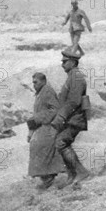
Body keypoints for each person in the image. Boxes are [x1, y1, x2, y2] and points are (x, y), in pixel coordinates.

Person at [50, 50, 91, 188]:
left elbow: (74, 101)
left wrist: (60, 117)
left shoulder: (76, 77)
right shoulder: (72, 76)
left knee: (61, 142)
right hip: (71, 118)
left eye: (64, 61)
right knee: (60, 143)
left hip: (75, 118)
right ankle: (72, 174)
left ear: (73, 62)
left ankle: (81, 172)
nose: (62, 64)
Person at [26, 73, 64, 190]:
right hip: (41, 126)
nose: (34, 85)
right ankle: (46, 177)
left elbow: (55, 109)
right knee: (36, 147)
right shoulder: (40, 93)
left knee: (42, 147)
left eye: (36, 82)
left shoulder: (47, 91)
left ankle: (48, 178)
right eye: (33, 82)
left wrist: (38, 118)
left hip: (48, 126)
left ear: (43, 81)